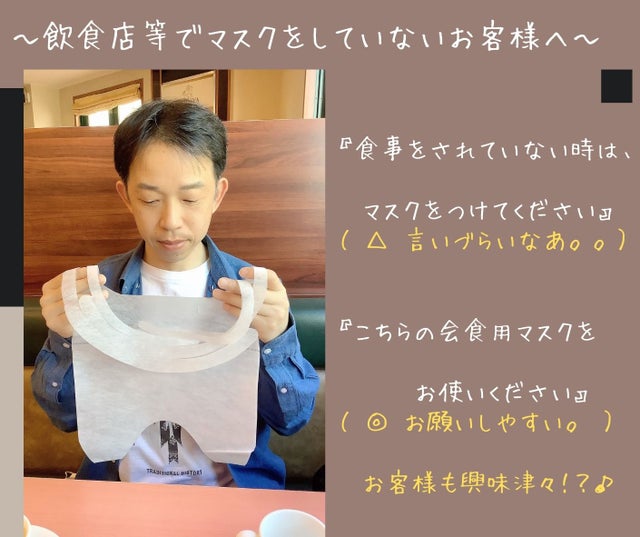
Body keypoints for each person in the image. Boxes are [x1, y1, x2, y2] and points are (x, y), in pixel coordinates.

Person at [31, 99, 320, 489]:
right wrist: (64, 338)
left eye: (190, 199)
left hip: (231, 495)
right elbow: (64, 418)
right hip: (123, 495)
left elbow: (291, 420)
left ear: (217, 195)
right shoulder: (97, 290)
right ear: (125, 196)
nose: (170, 221)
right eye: (150, 199)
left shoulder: (251, 292)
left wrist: (276, 340)